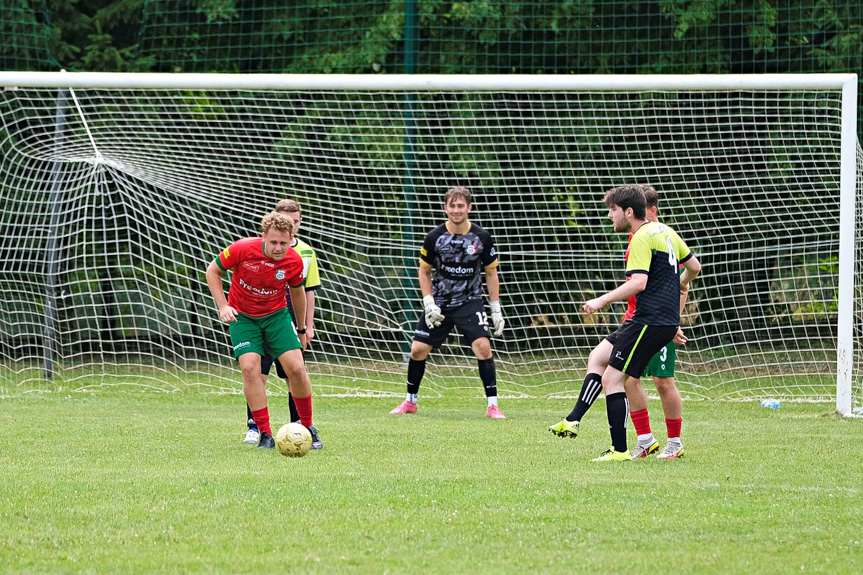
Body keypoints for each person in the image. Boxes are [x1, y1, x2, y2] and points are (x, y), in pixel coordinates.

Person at [549, 184, 700, 461]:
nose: (610, 215)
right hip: (657, 320)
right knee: (607, 364)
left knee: (620, 378)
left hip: (648, 320)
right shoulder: (666, 231)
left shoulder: (641, 236)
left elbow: (639, 282)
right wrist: (679, 285)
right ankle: (630, 437)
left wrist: (600, 301)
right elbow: (694, 267)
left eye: (613, 210)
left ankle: (621, 450)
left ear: (629, 212)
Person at [389, 186, 506, 418]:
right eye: (451, 206)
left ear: (469, 208)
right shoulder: (434, 237)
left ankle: (493, 405)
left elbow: (492, 274)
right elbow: (423, 271)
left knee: (483, 347)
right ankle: (410, 402)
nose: (456, 210)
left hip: (470, 301)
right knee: (417, 350)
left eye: (460, 205)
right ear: (445, 208)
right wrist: (429, 302)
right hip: (440, 302)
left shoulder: (482, 237)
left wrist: (495, 308)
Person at [206, 211, 320, 450]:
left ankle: (307, 426)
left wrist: (301, 328)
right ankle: (264, 433)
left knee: (297, 368)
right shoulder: (241, 249)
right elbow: (212, 271)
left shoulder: (294, 261)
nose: (279, 248)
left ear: (291, 239)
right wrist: (223, 306)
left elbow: (298, 294)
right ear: (263, 237)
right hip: (243, 318)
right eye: (273, 242)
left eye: (284, 243)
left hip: (277, 317)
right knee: (250, 369)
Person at [244, 199, 322, 450]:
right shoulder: (252, 250)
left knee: (294, 371)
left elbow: (307, 291)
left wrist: (306, 326)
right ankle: (255, 428)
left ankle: (300, 424)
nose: (293, 225)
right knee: (256, 371)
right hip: (256, 317)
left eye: (297, 221)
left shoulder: (305, 254)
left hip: (285, 318)